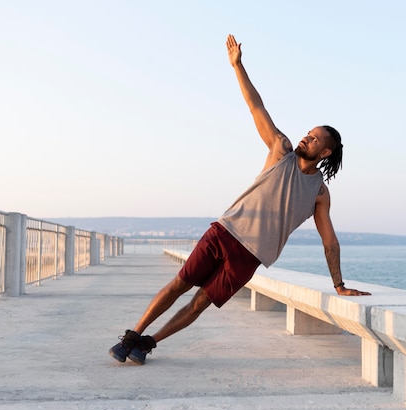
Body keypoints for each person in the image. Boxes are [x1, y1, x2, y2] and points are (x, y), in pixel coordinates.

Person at [109, 34, 371, 365]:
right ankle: (132, 335)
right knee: (179, 285)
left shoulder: (319, 193)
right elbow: (255, 106)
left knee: (200, 303)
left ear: (325, 151)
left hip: (249, 256)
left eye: (315, 137)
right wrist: (237, 66)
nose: (307, 136)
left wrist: (340, 284)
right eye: (309, 132)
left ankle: (148, 343)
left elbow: (330, 242)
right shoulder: (282, 150)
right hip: (224, 232)